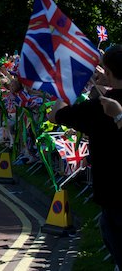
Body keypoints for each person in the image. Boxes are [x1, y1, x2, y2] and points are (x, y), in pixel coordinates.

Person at [49, 45, 122, 270]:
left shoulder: (100, 108)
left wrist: (69, 85)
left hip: (113, 197)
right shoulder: (102, 104)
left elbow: (55, 114)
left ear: (107, 72)